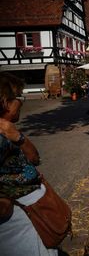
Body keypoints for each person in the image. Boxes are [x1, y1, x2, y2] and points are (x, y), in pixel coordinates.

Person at [0, 73, 61, 255]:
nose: (22, 102)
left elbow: (34, 158)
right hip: (16, 224)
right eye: (20, 97)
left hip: (32, 215)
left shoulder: (8, 130)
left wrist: (18, 137)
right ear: (5, 101)